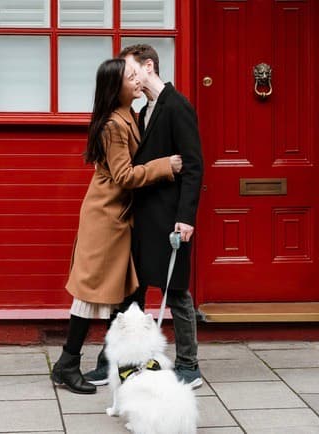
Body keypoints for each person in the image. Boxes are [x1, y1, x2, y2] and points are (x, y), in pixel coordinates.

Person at [51, 58, 183, 394]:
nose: (138, 80)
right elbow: (124, 176)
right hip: (105, 219)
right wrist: (165, 166)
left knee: (118, 293)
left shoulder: (129, 116)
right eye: (131, 77)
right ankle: (67, 364)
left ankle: (113, 362)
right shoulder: (113, 125)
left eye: (138, 74)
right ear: (116, 87)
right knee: (90, 291)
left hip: (118, 218)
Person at [84, 44, 205, 389]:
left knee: (176, 290)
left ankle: (189, 365)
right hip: (141, 218)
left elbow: (194, 166)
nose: (129, 78)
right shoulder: (142, 111)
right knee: (130, 292)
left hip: (169, 219)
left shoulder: (178, 106)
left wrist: (186, 217)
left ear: (148, 66)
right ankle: (115, 362)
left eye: (131, 70)